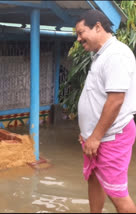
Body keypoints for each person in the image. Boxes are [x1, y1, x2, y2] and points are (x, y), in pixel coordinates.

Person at [76, 9, 136, 213]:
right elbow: (98, 97)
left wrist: (95, 136)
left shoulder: (116, 54)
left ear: (98, 27)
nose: (78, 38)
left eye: (81, 32)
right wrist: (87, 132)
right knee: (94, 178)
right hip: (98, 136)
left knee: (117, 194)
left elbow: (116, 100)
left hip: (111, 136)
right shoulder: (101, 55)